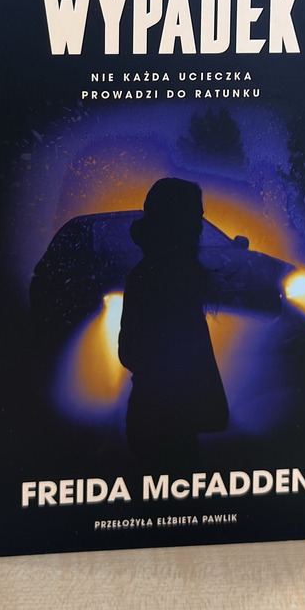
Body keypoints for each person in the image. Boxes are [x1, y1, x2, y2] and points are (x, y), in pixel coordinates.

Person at [117, 178, 229, 469]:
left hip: (157, 416)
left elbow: (129, 352)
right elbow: (130, 351)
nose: (200, 224)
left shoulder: (153, 274)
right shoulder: (159, 278)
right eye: (194, 215)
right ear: (178, 221)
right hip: (164, 419)